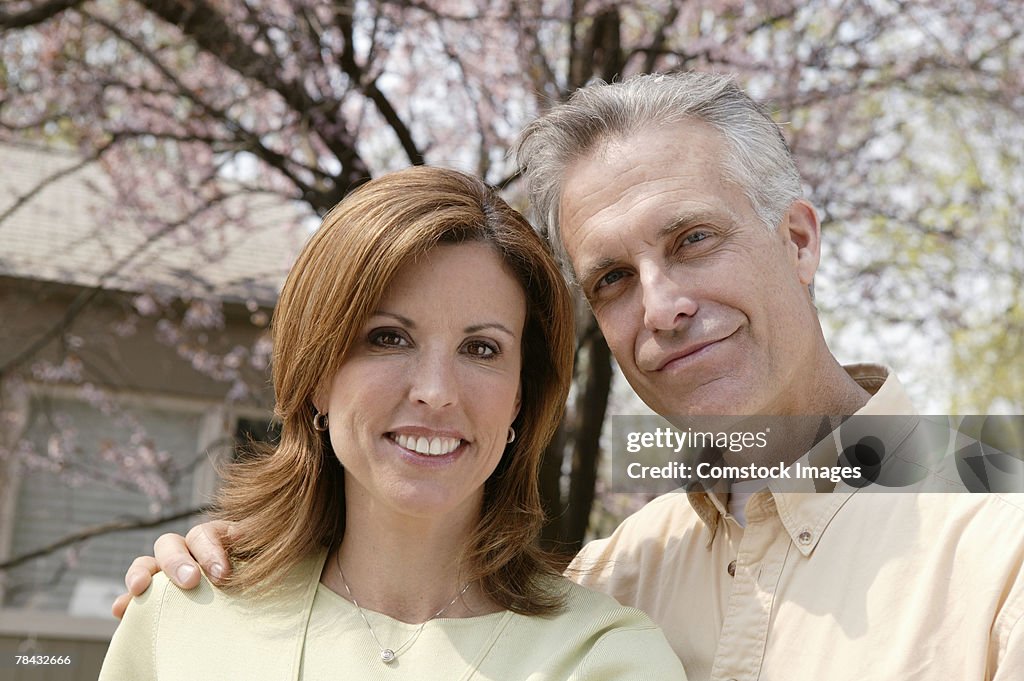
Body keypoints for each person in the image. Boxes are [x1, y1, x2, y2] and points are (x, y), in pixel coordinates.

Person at [117, 73, 1024, 680]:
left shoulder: (1000, 534)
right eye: (614, 279)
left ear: (798, 240)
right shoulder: (615, 574)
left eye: (692, 239)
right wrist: (222, 570)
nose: (662, 305)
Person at [99, 166, 685, 680]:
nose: (435, 392)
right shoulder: (180, 621)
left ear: (520, 401)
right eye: (388, 338)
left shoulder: (606, 660)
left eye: (481, 349)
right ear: (320, 373)